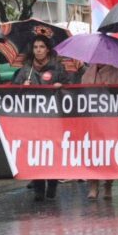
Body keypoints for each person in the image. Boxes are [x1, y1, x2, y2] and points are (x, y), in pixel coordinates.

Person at [12, 35, 71, 201]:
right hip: (33, 118)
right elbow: (12, 91)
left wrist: (61, 87)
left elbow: (69, 89)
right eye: (36, 47)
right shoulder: (26, 70)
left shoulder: (57, 68)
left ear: (47, 49)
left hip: (53, 119)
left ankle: (52, 183)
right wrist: (22, 87)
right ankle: (38, 186)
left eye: (42, 47)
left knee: (52, 151)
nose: (38, 50)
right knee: (36, 151)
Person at [83, 63, 118, 200]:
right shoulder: (88, 73)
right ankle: (93, 185)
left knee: (109, 153)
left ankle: (108, 185)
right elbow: (81, 92)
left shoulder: (117, 73)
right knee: (93, 152)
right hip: (92, 118)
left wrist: (110, 90)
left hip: (111, 119)